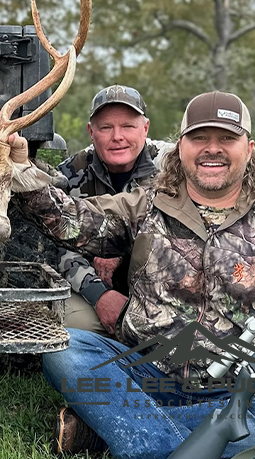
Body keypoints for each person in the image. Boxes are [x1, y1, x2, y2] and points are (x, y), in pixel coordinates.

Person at [0, 91, 255, 459]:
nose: (212, 149)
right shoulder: (144, 205)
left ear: (248, 149)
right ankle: (169, 440)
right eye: (200, 138)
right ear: (180, 147)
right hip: (142, 373)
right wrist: (21, 167)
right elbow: (70, 220)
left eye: (227, 139)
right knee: (66, 350)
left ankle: (113, 429)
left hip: (239, 390)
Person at [54, 85, 173, 337]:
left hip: (160, 282)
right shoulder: (70, 173)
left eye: (128, 126)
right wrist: (99, 295)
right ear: (91, 132)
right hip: (99, 282)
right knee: (72, 325)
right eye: (106, 127)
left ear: (145, 128)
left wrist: (117, 247)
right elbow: (58, 241)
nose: (117, 136)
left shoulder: (173, 165)